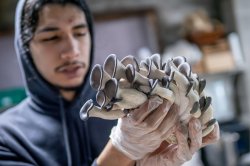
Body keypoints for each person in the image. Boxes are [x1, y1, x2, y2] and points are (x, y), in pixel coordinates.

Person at [0, 0, 219, 165]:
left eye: (80, 32)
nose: (72, 51)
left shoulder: (131, 113)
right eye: (52, 37)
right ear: (25, 48)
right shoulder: (8, 137)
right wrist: (122, 150)